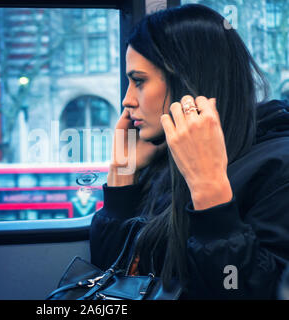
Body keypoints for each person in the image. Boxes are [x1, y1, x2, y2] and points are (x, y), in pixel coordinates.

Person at [90, 3, 289, 299]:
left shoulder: (277, 166)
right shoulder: (166, 160)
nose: (127, 100)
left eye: (139, 82)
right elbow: (113, 279)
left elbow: (243, 290)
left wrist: (209, 190)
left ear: (187, 81)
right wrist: (122, 173)